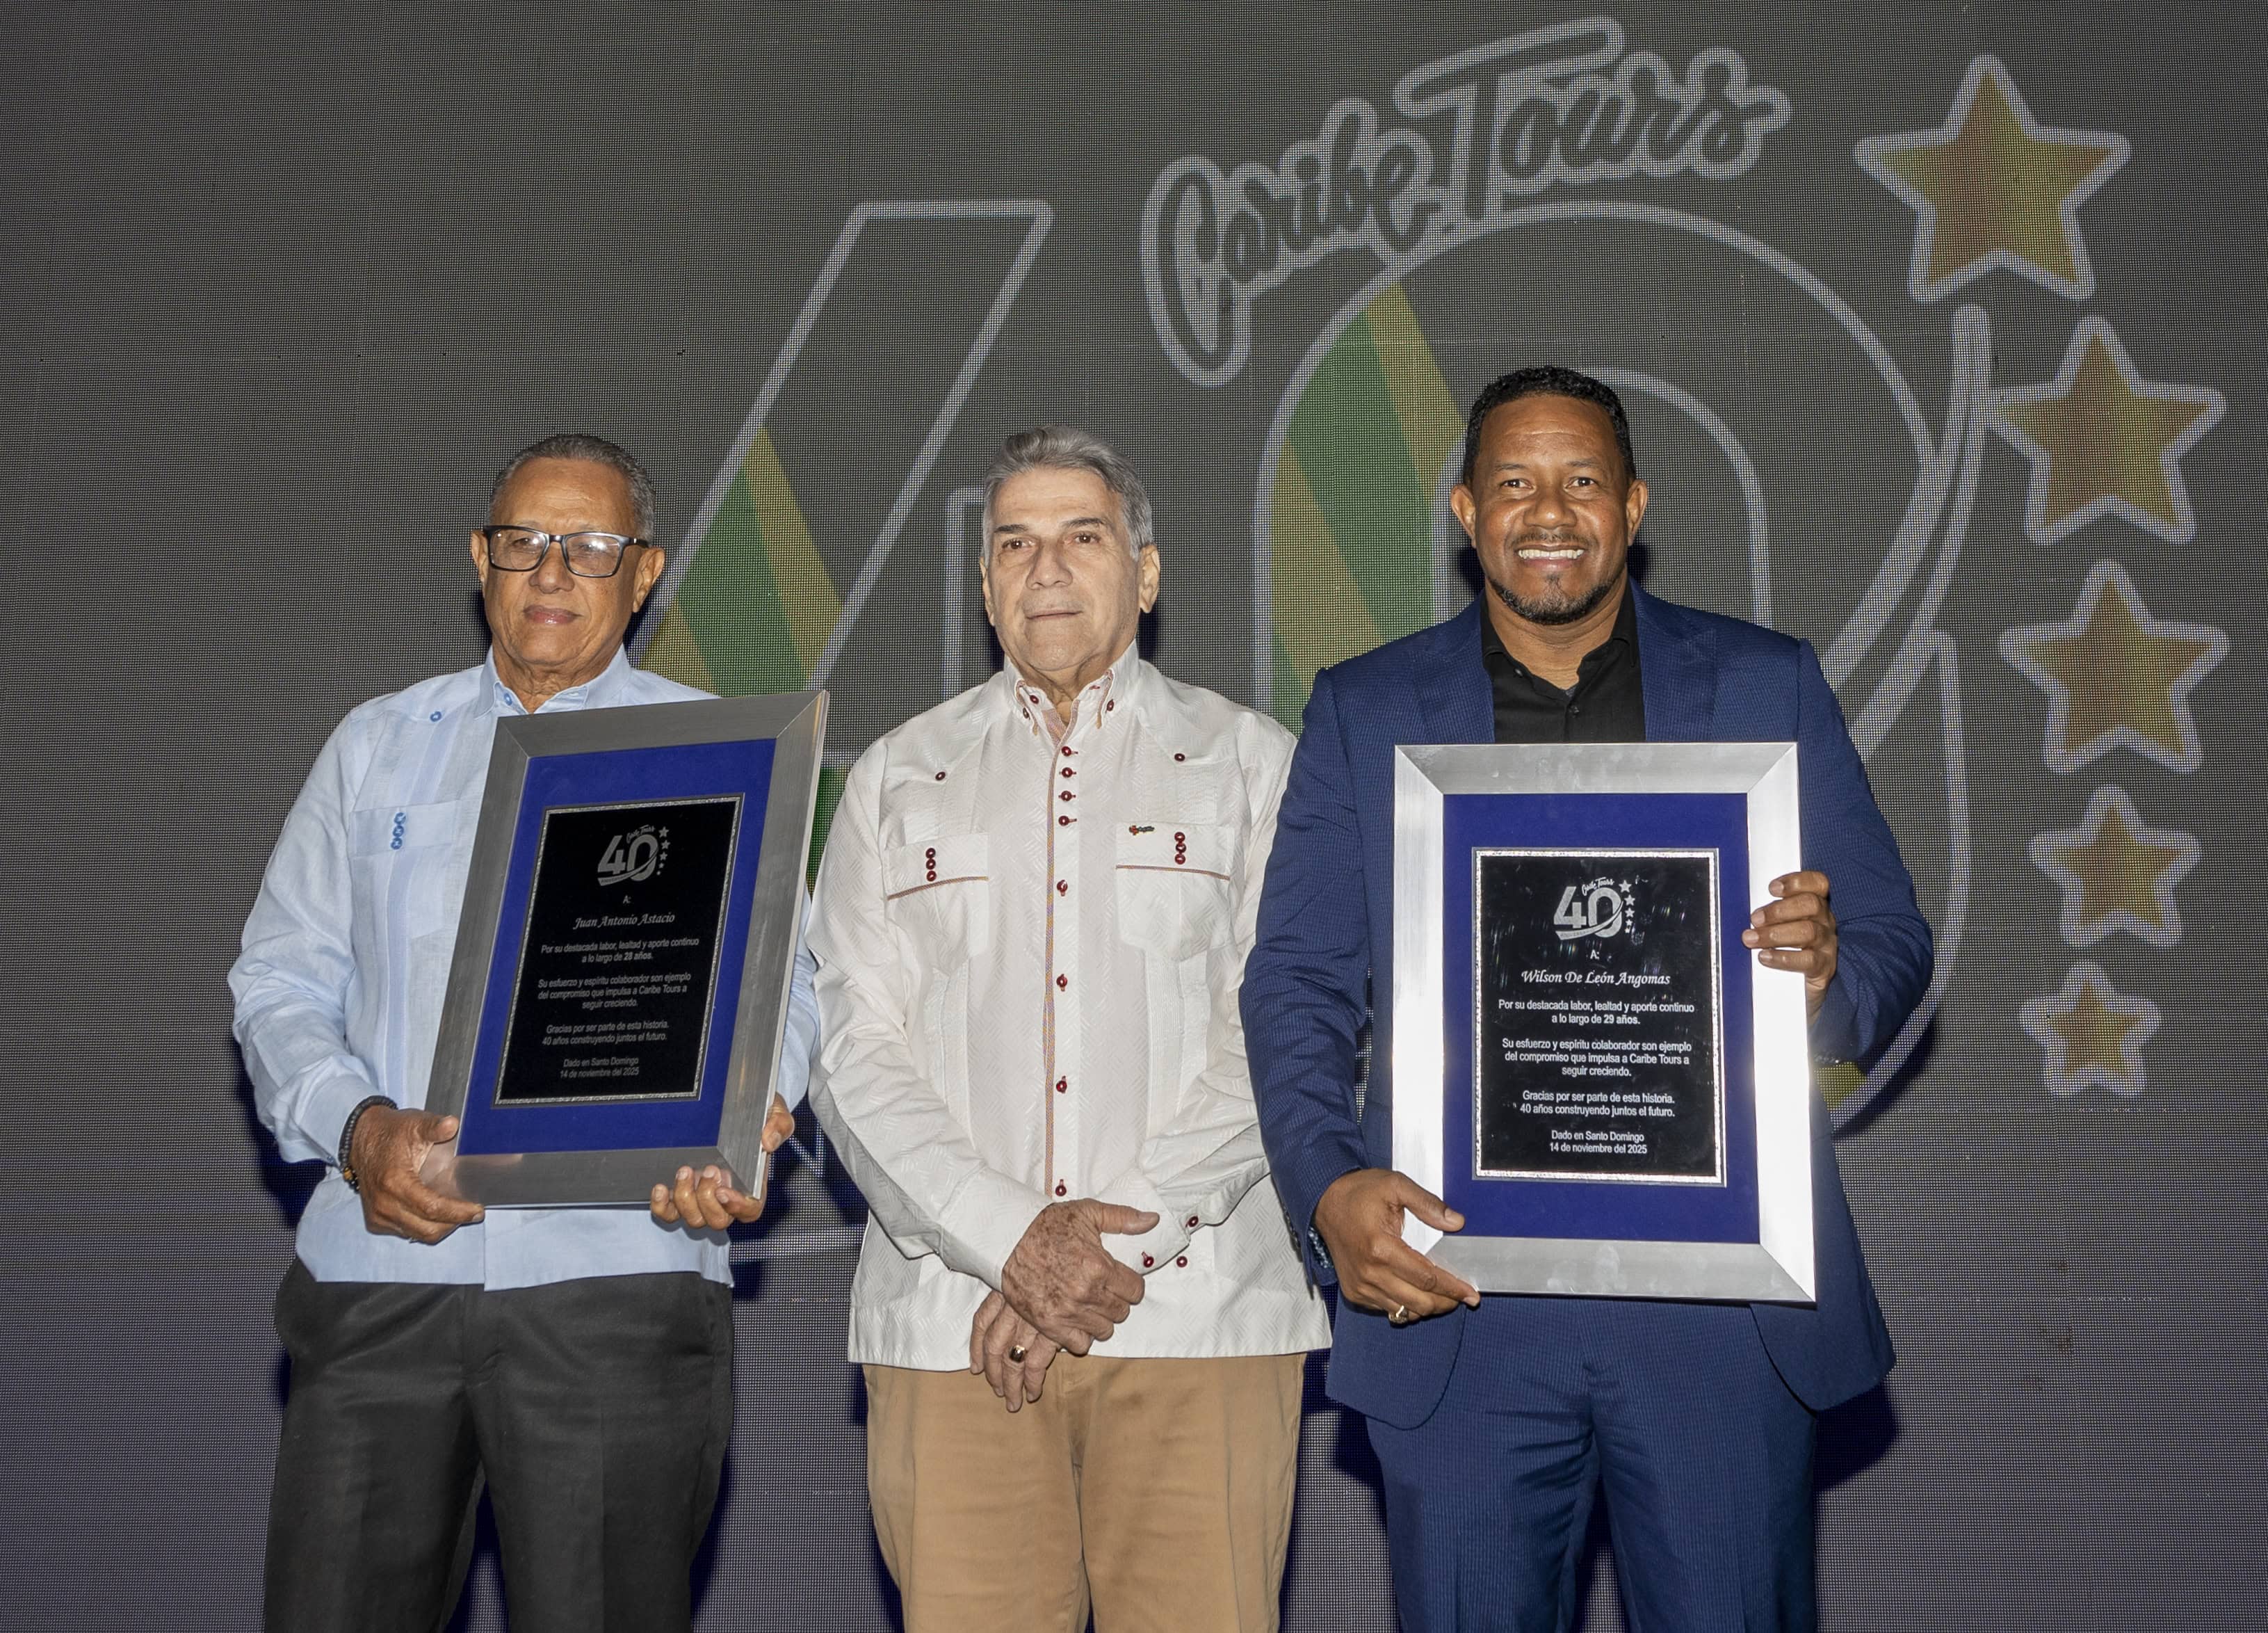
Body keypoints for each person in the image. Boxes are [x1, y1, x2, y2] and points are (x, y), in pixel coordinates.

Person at [1242, 367, 1933, 1632]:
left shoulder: (1765, 683)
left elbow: (1890, 945)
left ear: (1631, 505)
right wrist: (1329, 1186)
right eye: (1512, 483)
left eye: (1578, 482)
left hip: (1718, 1309)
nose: (1545, 512)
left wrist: (1824, 978)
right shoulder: (1364, 710)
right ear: (1465, 511)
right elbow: (1293, 981)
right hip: (1459, 1299)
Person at [232, 433, 816, 1632]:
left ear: (642, 573)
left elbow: (790, 982)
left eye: (589, 547)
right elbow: (278, 979)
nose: (551, 572)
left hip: (618, 1278)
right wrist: (359, 1131)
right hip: (383, 1279)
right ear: (480, 561)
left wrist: (748, 1107)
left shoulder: (716, 751)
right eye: (522, 544)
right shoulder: (375, 744)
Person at [808, 426, 1331, 1632]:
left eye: (1081, 538)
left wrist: (1100, 1257)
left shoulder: (1256, 766)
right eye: (1014, 544)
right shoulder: (894, 779)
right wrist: (1010, 1244)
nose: (1045, 569)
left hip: (1198, 1319)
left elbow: (1286, 1030)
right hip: (953, 1328)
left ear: (1143, 573)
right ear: (986, 585)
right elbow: (847, 1042)